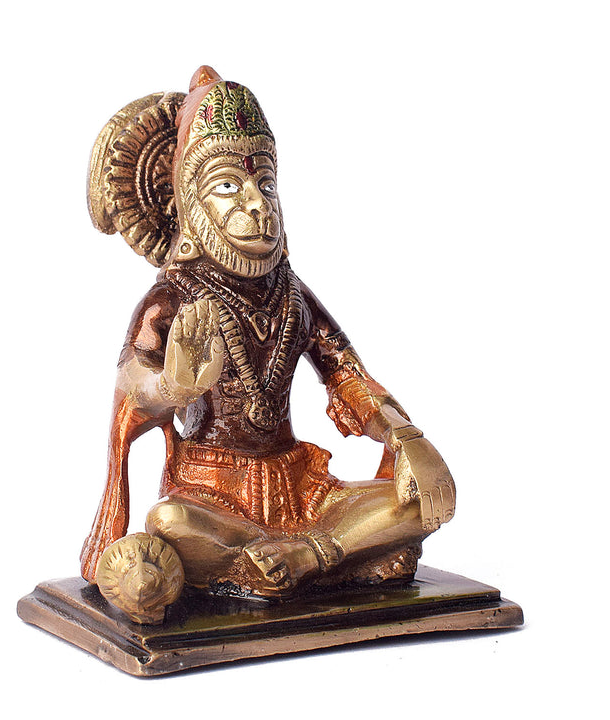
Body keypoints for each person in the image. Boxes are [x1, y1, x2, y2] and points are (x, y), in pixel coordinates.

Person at [81, 66, 455, 606]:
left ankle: (299, 556)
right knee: (170, 522)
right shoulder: (172, 298)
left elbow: (346, 374)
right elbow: (130, 391)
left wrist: (404, 436)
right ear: (189, 202)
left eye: (266, 184)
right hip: (211, 497)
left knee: (424, 499)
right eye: (228, 186)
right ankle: (314, 556)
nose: (257, 203)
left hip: (301, 492)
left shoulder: (291, 292)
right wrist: (172, 387)